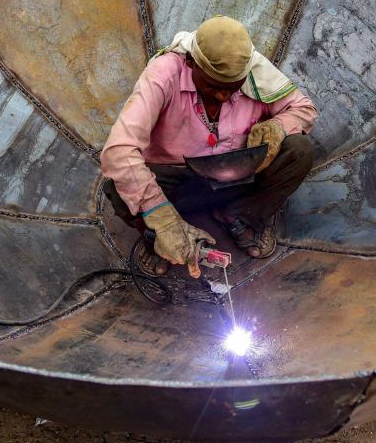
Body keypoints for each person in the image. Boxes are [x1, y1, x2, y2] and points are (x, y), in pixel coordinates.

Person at [101, 16, 317, 277]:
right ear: (191, 63)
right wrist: (162, 217)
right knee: (119, 188)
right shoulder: (164, 73)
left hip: (236, 173)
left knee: (300, 150)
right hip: (178, 181)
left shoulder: (251, 68)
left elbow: (304, 109)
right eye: (213, 86)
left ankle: (239, 215)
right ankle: (159, 238)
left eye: (232, 88)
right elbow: (118, 151)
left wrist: (277, 127)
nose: (223, 97)